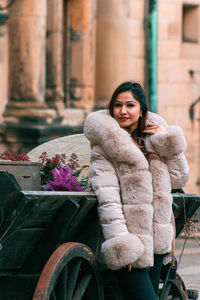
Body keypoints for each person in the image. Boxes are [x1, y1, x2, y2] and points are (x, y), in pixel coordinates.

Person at [84, 81, 189, 300]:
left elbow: (179, 178)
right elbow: (108, 199)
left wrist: (166, 140)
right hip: (131, 242)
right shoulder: (105, 147)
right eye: (117, 105)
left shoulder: (154, 141)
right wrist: (123, 245)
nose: (123, 111)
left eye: (130, 105)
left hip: (157, 242)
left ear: (141, 110)